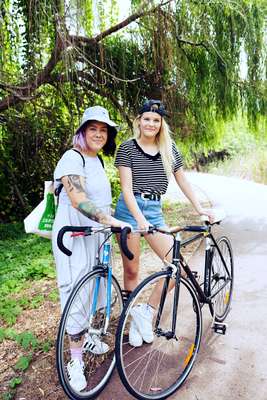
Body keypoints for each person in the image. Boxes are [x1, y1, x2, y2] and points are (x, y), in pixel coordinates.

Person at [114, 99, 213, 347]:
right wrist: (138, 219)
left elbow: (183, 181)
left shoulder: (169, 150)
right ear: (139, 121)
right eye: (146, 119)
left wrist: (199, 207)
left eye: (156, 120)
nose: (151, 123)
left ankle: (145, 312)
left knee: (175, 266)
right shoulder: (127, 148)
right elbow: (126, 188)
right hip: (129, 210)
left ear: (161, 124)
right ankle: (132, 317)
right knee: (132, 270)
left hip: (154, 210)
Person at [52, 106, 129, 391]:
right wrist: (110, 220)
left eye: (103, 129)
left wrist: (108, 224)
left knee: (97, 288)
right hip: (74, 235)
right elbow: (77, 199)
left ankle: (90, 337)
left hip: (97, 233)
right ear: (82, 131)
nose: (98, 133)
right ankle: (74, 360)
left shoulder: (96, 160)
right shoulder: (72, 157)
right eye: (92, 128)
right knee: (76, 291)